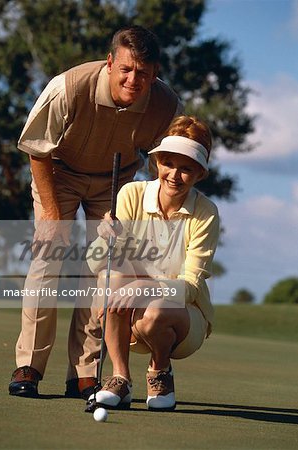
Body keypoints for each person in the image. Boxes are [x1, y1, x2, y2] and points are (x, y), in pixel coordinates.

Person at [9, 25, 183, 400]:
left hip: (116, 184)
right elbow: (37, 148)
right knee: (47, 261)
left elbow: (169, 160)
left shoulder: (167, 105)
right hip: (59, 173)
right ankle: (29, 366)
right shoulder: (68, 87)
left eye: (143, 73)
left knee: (103, 269)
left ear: (155, 75)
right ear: (110, 63)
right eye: (125, 69)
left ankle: (84, 373)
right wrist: (52, 217)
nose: (133, 80)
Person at [86, 115, 220, 411]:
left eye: (186, 169)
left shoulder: (206, 212)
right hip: (126, 316)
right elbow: (99, 263)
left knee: (159, 308)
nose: (174, 175)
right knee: (112, 276)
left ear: (199, 173)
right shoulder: (131, 194)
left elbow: (191, 286)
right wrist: (106, 237)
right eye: (168, 164)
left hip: (183, 320)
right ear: (156, 163)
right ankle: (120, 379)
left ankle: (160, 371)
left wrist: (146, 288)